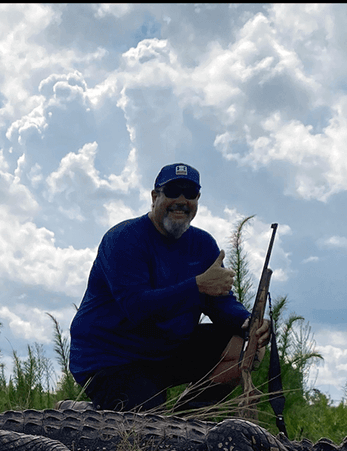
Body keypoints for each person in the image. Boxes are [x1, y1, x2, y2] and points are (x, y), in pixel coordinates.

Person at [68, 162, 271, 412]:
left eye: (190, 194)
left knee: (247, 346)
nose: (182, 200)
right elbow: (136, 307)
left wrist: (248, 322)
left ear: (197, 199)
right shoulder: (123, 239)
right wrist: (197, 285)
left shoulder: (203, 244)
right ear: (155, 197)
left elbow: (219, 301)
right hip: (111, 357)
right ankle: (82, 411)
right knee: (141, 434)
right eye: (173, 191)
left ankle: (186, 417)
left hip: (166, 351)